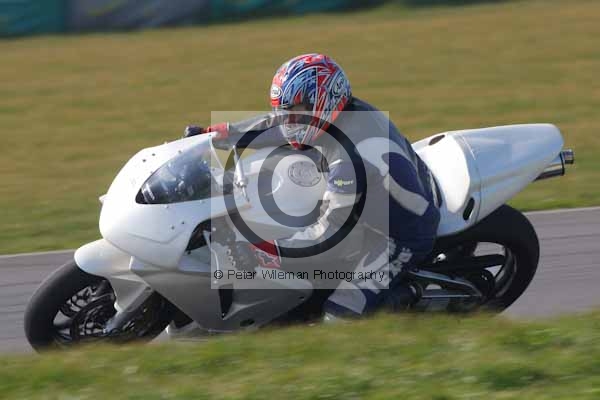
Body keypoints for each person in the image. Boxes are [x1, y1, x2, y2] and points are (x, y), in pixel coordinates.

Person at [185, 53, 440, 319]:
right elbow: (278, 125)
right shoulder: (339, 114)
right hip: (387, 195)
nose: (288, 121)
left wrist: (263, 251)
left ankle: (410, 296)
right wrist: (218, 135)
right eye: (285, 111)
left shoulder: (349, 159)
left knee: (339, 313)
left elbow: (328, 233)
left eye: (295, 111)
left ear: (323, 102)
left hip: (400, 234)